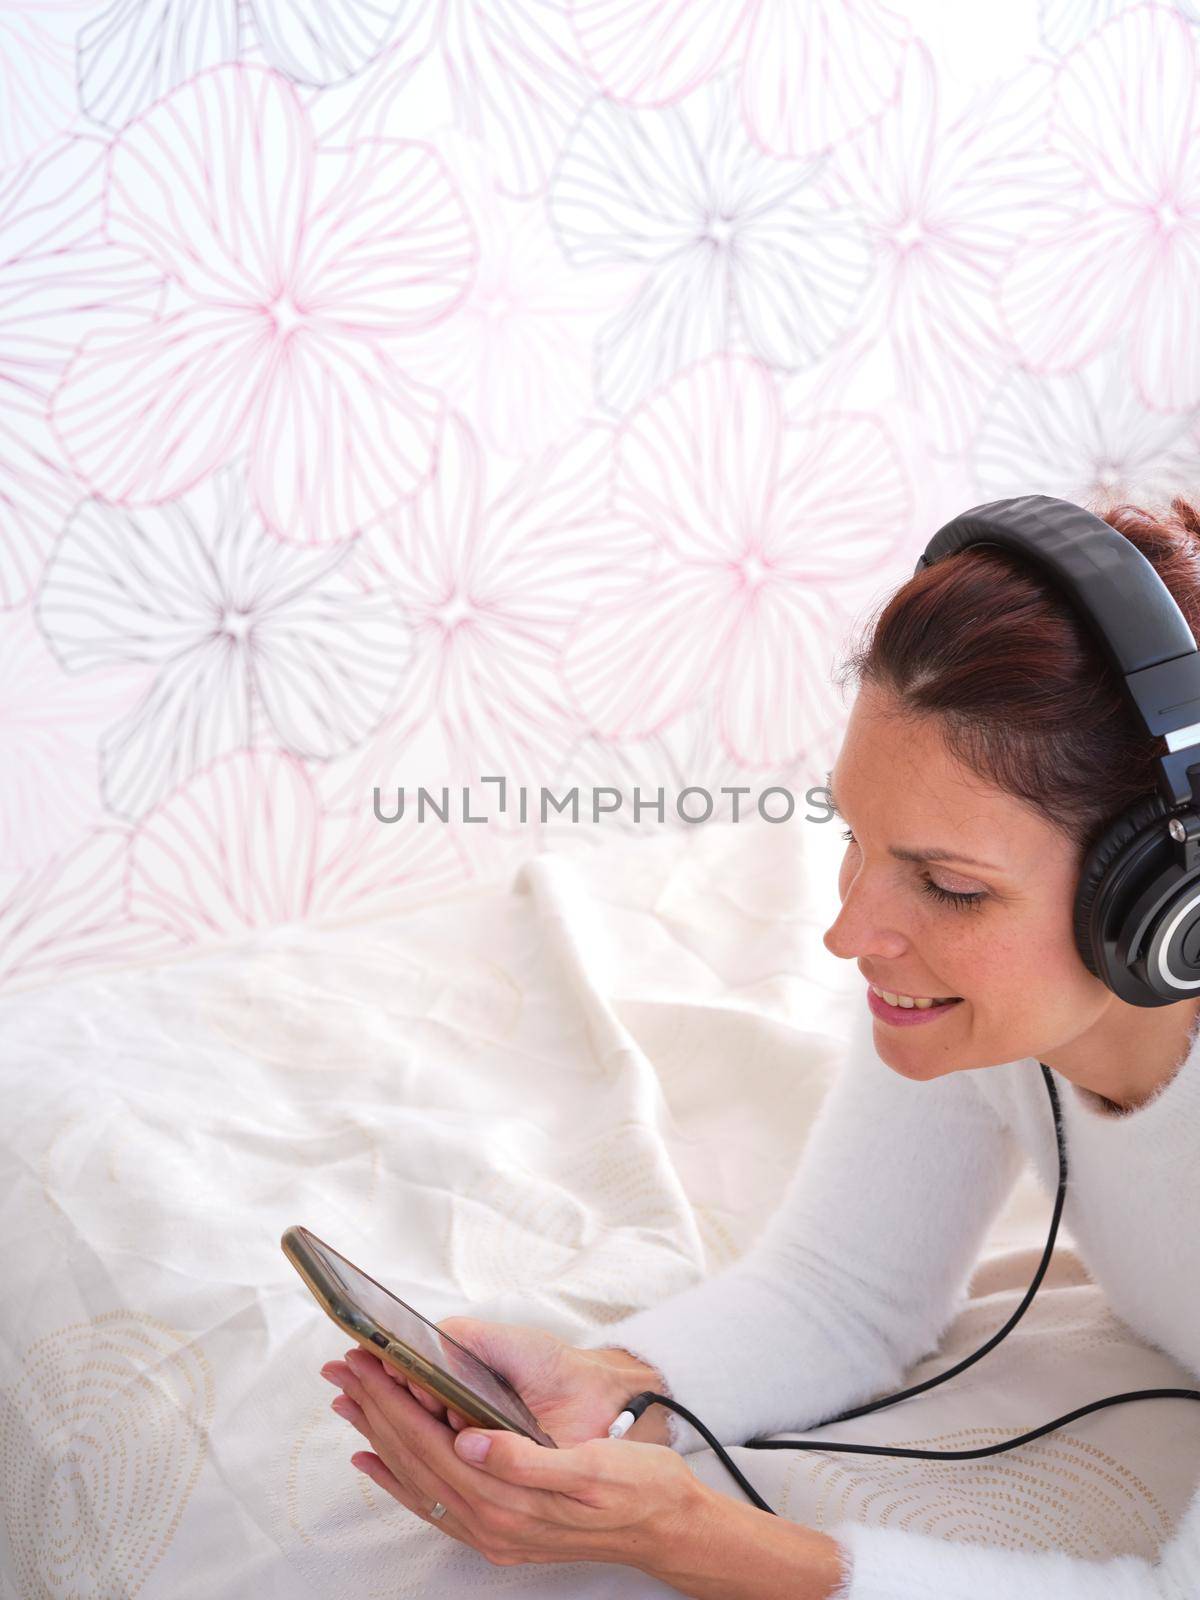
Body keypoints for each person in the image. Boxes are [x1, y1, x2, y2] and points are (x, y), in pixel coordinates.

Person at [319, 494, 1200, 1597]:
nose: (849, 932)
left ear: (1164, 906)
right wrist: (617, 1384)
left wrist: (695, 1540)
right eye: (855, 840)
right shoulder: (967, 1008)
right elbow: (841, 1291)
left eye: (949, 886)